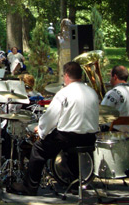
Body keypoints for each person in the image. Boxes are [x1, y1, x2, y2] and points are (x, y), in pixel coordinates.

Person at [10, 62, 99, 196]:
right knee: (73, 151)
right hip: (90, 137)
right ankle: (76, 183)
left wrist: (41, 131)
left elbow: (50, 118)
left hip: (68, 137)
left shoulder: (64, 93)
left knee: (38, 150)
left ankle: (30, 187)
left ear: (67, 75)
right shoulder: (92, 92)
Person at [101, 65, 129, 131]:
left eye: (111, 76)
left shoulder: (113, 93)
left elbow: (102, 115)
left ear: (115, 77)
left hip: (113, 133)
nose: (110, 80)